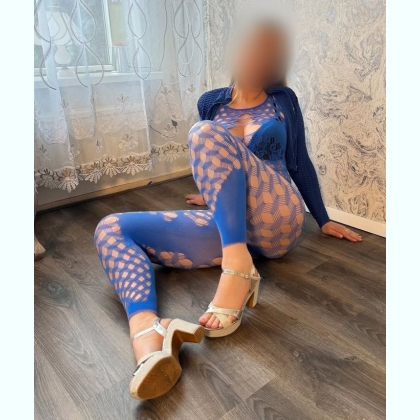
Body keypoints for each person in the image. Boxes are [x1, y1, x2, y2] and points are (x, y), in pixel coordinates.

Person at [94, 20, 362, 400]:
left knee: (202, 133)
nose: (258, 58)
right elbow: (219, 164)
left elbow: (298, 161)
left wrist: (323, 219)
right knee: (110, 228)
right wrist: (211, 195)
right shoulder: (211, 102)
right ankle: (148, 334)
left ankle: (237, 270)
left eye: (269, 53)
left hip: (277, 215)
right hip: (232, 226)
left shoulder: (283, 100)